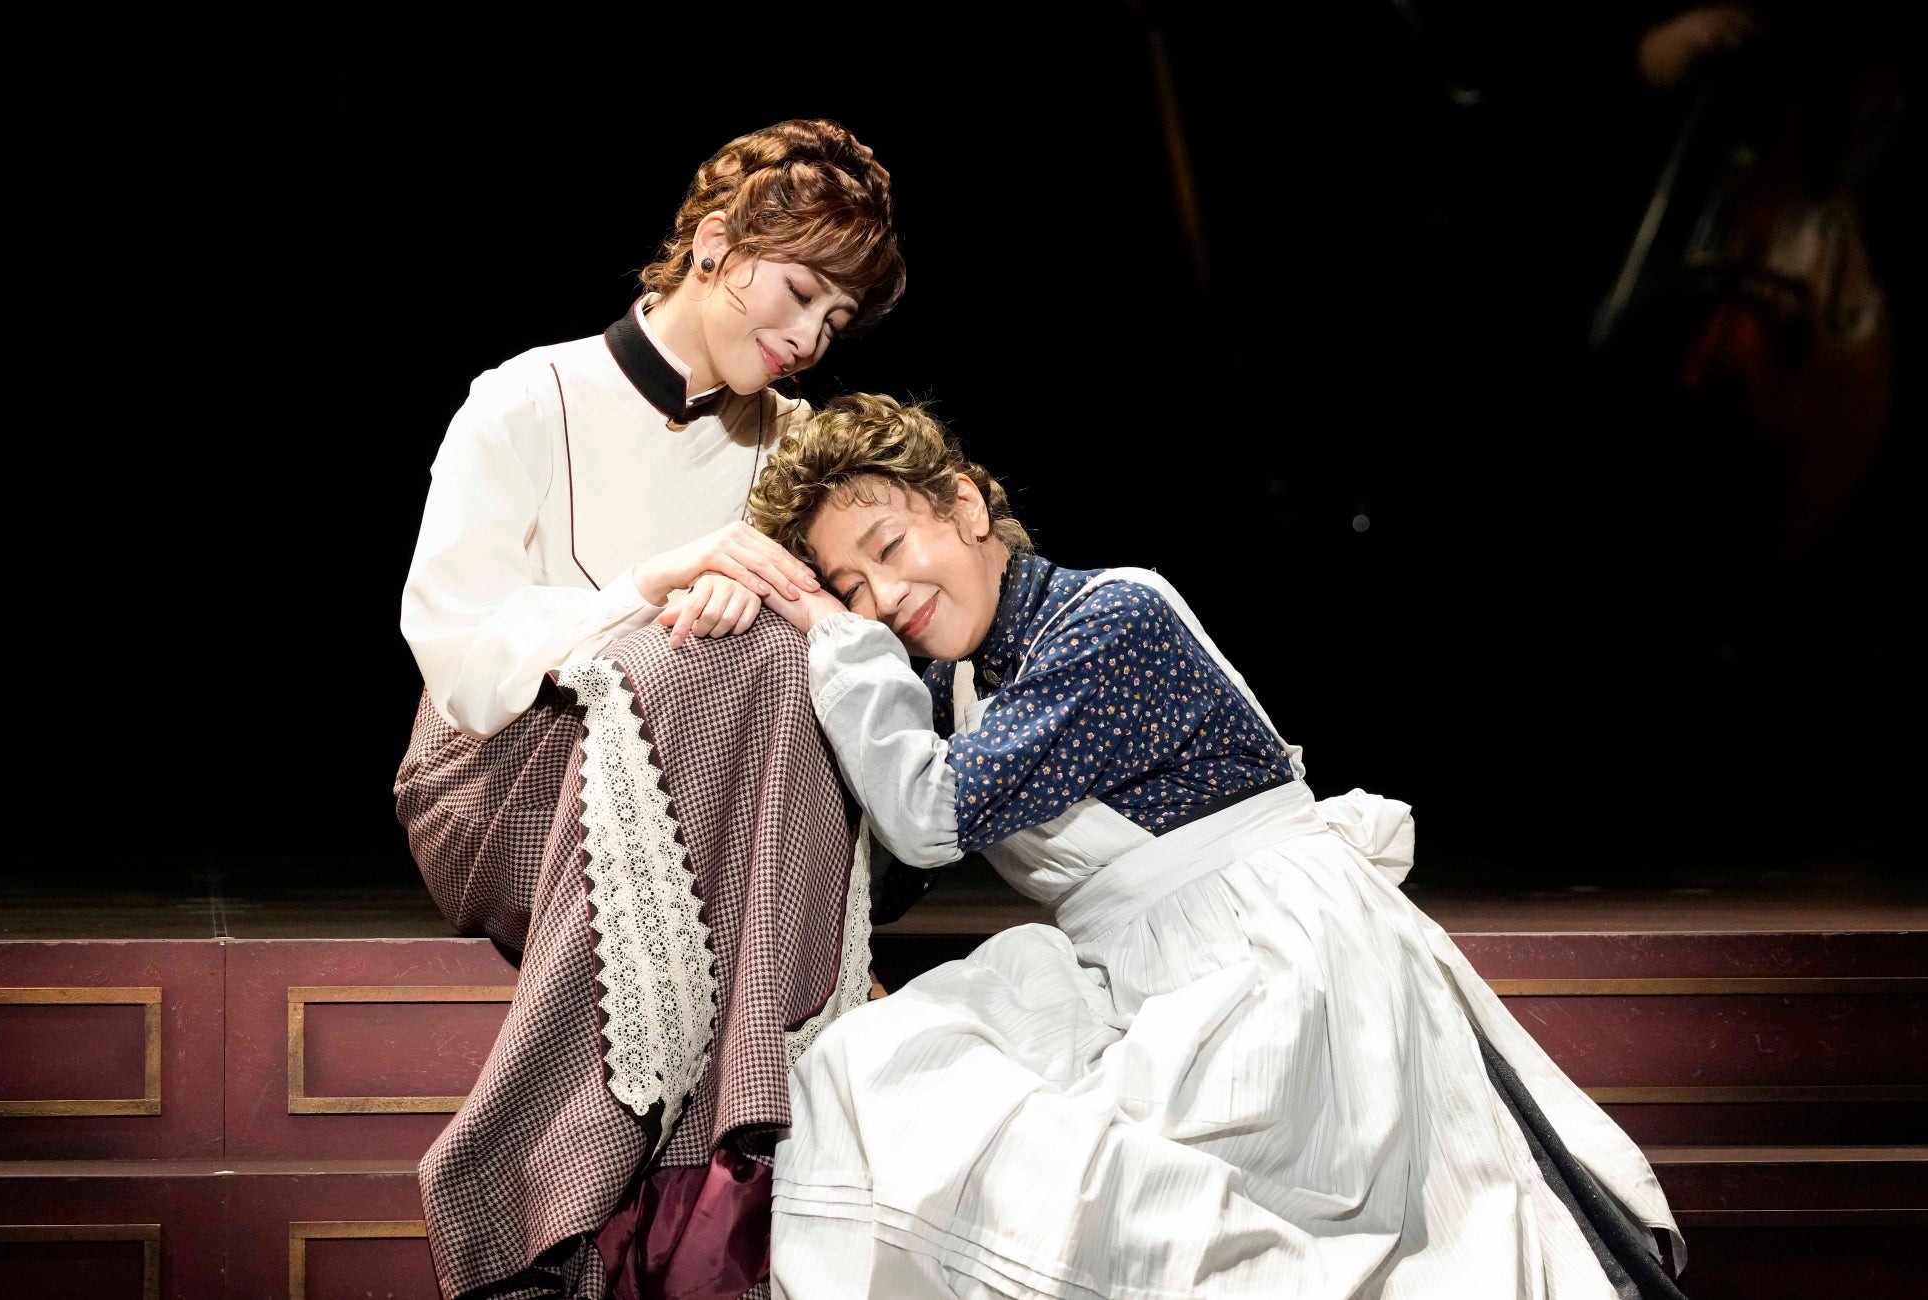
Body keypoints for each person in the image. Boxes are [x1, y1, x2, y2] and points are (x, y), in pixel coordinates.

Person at [745, 392, 1689, 1299]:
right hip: (1134, 967)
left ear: (964, 506)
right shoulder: (963, 684)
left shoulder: (1110, 620)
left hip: (1267, 959)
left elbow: (927, 816)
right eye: (850, 589)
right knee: (869, 1065)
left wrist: (840, 641)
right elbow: (893, 867)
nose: (883, 598)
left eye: (890, 548)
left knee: (1190, 1225)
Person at [392, 119, 905, 1300]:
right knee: (709, 657)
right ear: (714, 245)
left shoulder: (795, 445)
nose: (808, 338)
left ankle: (596, 1209)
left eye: (835, 320)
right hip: (497, 780)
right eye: (799, 293)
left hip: (714, 790)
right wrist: (654, 588)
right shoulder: (525, 398)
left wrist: (758, 595)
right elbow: (460, 658)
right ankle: (728, 1172)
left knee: (768, 647)